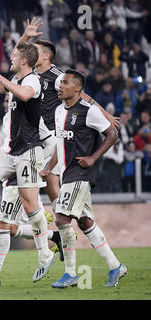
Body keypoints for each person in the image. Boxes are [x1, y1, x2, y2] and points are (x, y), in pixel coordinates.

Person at [0, 41, 56, 283]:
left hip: (29, 151)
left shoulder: (32, 81)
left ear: (24, 61)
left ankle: (45, 252)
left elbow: (25, 95)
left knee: (29, 207)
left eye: (14, 56)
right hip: (10, 150)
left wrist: (0, 77)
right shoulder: (16, 80)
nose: (10, 58)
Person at [41, 70, 126, 288]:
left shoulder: (89, 111)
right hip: (68, 173)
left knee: (61, 220)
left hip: (81, 172)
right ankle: (116, 266)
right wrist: (49, 168)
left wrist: (93, 157)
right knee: (85, 222)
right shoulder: (60, 111)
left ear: (77, 88)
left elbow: (112, 134)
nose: (60, 86)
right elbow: (61, 144)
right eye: (60, 82)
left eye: (65, 83)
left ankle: (70, 273)